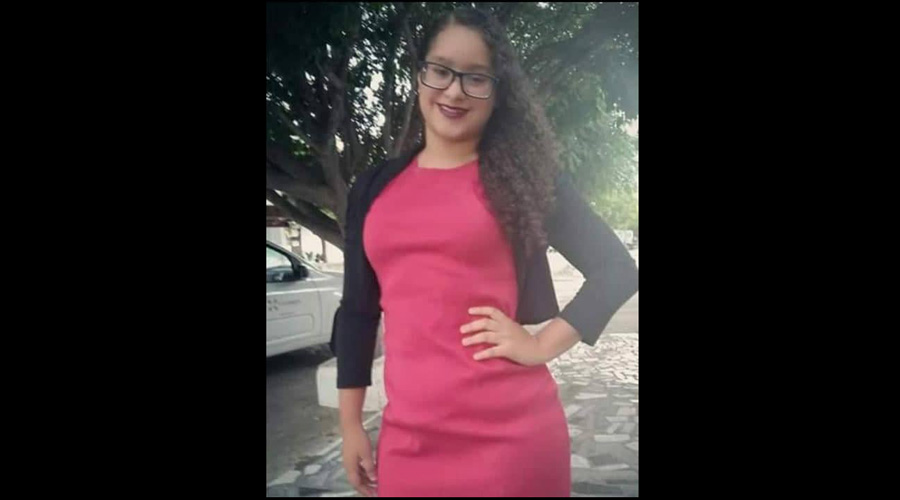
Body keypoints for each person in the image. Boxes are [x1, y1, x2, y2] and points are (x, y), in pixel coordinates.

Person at [330, 7, 638, 497]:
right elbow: (357, 314)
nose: (454, 91)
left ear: (497, 92)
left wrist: (541, 344)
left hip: (511, 443)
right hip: (408, 443)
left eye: (476, 78)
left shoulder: (524, 180)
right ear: (420, 73)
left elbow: (616, 269)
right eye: (441, 70)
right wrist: (350, 425)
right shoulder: (372, 189)